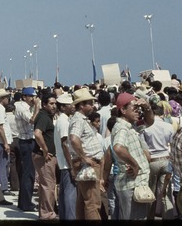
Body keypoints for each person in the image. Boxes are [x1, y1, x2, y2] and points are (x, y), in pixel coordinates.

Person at [111, 91, 153, 220]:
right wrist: (135, 165)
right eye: (134, 109)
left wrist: (147, 107)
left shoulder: (131, 126)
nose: (138, 112)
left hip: (134, 184)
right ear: (123, 110)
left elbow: (149, 121)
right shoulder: (122, 128)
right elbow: (118, 147)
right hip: (131, 185)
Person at [68, 87, 103, 220]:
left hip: (85, 162)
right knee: (92, 202)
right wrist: (84, 158)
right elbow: (73, 138)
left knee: (84, 200)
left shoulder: (81, 119)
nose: (92, 105)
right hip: (88, 163)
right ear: (81, 105)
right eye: (89, 103)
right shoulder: (78, 119)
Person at [141, 101, 175, 219]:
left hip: (152, 161)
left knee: (151, 194)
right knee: (165, 193)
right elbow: (172, 145)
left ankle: (150, 218)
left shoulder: (146, 127)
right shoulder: (169, 126)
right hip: (166, 159)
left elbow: (143, 146)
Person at [32, 92, 58, 220]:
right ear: (44, 105)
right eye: (51, 104)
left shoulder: (45, 116)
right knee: (48, 185)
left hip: (43, 155)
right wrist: (45, 150)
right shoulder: (43, 117)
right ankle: (48, 214)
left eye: (55, 103)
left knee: (45, 185)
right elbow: (37, 134)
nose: (54, 106)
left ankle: (44, 212)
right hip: (44, 156)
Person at [14, 86, 40, 212]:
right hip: (26, 141)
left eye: (34, 96)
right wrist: (37, 107)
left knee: (27, 172)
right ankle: (26, 203)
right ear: (24, 97)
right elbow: (32, 120)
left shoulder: (25, 107)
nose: (33, 99)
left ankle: (22, 201)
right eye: (31, 96)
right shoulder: (21, 107)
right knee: (28, 174)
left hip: (28, 140)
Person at [54, 92, 76, 220]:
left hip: (64, 162)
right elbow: (65, 144)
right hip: (67, 162)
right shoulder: (63, 122)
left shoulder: (64, 120)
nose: (72, 107)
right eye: (69, 105)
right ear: (62, 107)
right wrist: (72, 166)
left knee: (64, 193)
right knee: (70, 194)